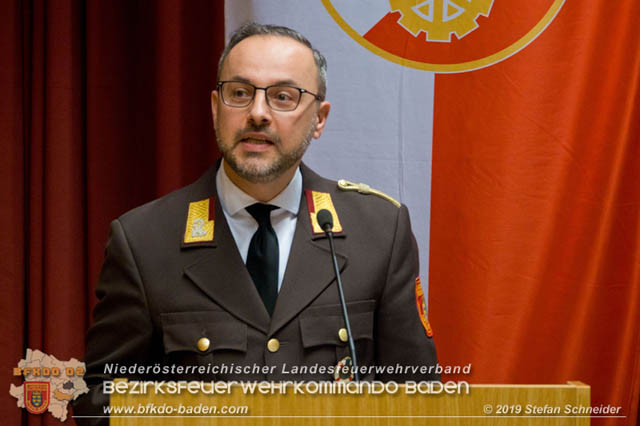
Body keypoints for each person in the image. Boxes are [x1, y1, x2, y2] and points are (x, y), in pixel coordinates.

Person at [72, 23, 438, 423]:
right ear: (215, 108)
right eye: (240, 93)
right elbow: (99, 401)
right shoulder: (144, 241)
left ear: (319, 119)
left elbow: (418, 396)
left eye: (283, 96)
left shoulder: (379, 232)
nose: (258, 113)